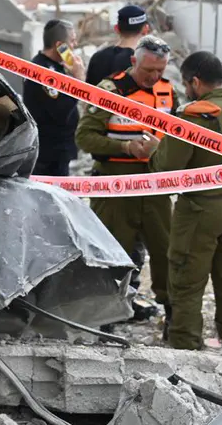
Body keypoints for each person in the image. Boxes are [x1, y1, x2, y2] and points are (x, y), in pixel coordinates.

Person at [143, 51, 222, 352]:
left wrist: (154, 150)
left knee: (186, 279)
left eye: (186, 85)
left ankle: (185, 346)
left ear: (195, 82)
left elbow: (167, 168)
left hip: (204, 208)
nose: (186, 91)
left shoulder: (194, 116)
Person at [75, 34, 177, 322]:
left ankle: (173, 313)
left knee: (166, 252)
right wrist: (125, 147)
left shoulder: (168, 91)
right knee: (113, 252)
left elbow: (178, 136)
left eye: (160, 70)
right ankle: (107, 317)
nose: (154, 77)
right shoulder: (110, 91)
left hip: (155, 186)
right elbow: (84, 137)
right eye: (148, 70)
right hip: (115, 186)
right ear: (134, 61)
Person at [22, 19, 85, 176]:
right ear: (60, 46)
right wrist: (78, 81)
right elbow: (61, 110)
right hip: (48, 155)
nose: (75, 44)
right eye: (72, 41)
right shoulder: (43, 71)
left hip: (58, 151)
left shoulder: (56, 67)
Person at [85, 4, 151, 88]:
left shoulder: (97, 57)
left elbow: (88, 92)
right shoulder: (144, 62)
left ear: (117, 28)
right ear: (145, 29)